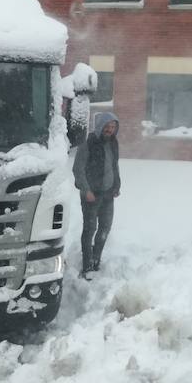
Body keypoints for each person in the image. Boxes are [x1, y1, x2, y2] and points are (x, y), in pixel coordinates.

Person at [73, 111, 121, 279]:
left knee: (105, 228)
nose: (110, 129)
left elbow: (114, 166)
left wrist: (117, 185)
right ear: (100, 126)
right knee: (90, 230)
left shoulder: (113, 143)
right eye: (107, 126)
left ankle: (96, 259)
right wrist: (86, 191)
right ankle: (86, 266)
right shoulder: (88, 144)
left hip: (108, 194)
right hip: (91, 196)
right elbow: (78, 170)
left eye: (113, 127)